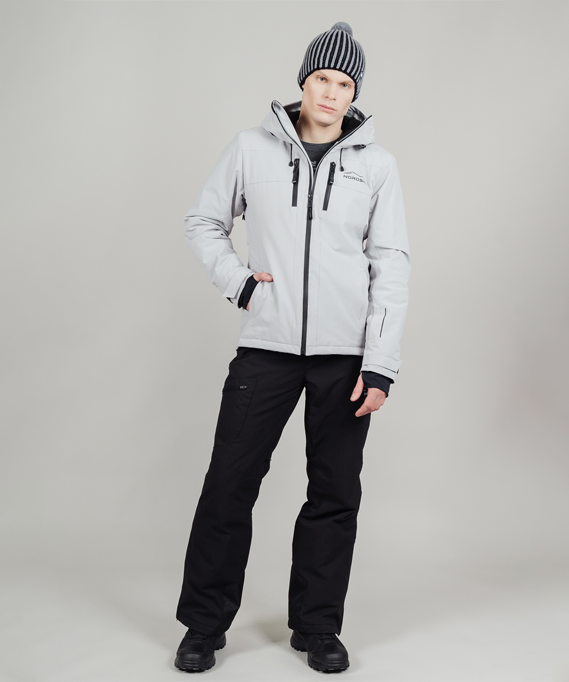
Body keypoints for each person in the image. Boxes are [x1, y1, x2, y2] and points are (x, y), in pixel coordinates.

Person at [174, 21, 411, 674]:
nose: (331, 93)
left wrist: (380, 365)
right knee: (229, 485)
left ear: (354, 93)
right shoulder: (251, 149)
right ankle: (203, 626)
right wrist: (241, 284)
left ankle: (317, 627)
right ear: (303, 83)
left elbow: (390, 264)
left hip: (346, 356)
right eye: (321, 79)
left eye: (344, 83)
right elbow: (203, 221)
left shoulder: (376, 166)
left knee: (334, 494)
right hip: (267, 348)